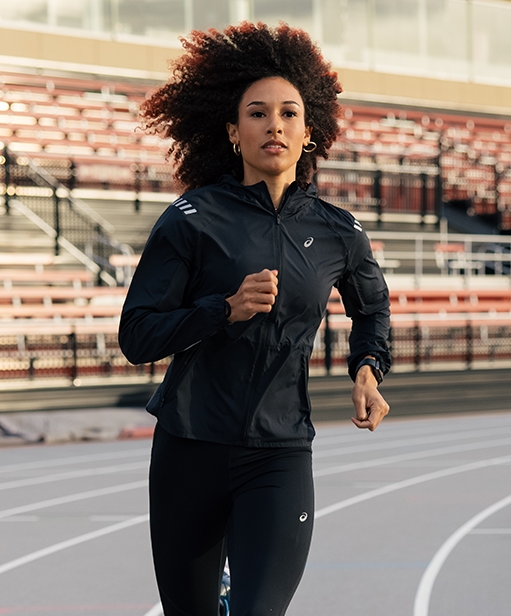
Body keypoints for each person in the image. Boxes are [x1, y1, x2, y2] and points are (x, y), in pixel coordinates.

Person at [118, 22, 393, 616]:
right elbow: (136, 335)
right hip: (189, 448)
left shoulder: (339, 230)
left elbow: (372, 308)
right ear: (232, 133)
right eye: (258, 113)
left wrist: (368, 369)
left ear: (309, 132)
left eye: (289, 113)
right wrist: (221, 310)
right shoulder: (191, 217)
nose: (275, 124)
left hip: (279, 452)